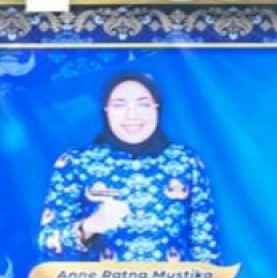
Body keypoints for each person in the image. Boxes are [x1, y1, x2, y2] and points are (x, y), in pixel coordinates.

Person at [36, 72, 219, 263]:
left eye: (143, 104)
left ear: (158, 109)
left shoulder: (185, 161)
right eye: (119, 105)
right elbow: (49, 246)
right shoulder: (75, 163)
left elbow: (206, 246)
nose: (132, 114)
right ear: (105, 110)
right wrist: (90, 226)